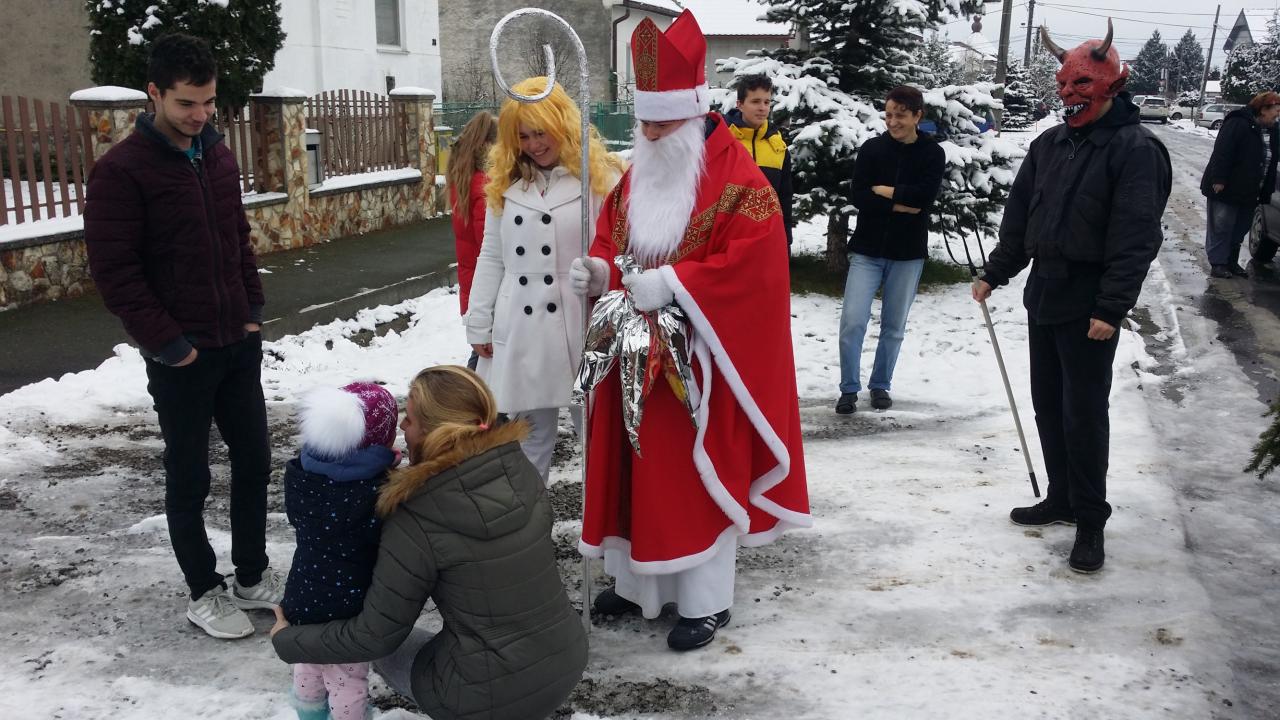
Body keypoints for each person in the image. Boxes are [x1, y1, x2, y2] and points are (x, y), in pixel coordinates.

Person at [569, 11, 811, 651]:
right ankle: (635, 585)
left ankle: (705, 602)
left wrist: (677, 284)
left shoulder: (742, 182)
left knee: (688, 480)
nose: (650, 134)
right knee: (634, 471)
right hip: (630, 353)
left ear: (695, 113)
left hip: (698, 365)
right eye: (645, 123)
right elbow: (613, 233)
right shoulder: (639, 172)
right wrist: (600, 270)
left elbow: (756, 268)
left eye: (663, 123)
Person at [83, 32, 283, 639]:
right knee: (190, 475)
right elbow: (116, 272)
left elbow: (238, 239)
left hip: (236, 342)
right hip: (182, 355)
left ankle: (251, 576)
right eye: (186, 103)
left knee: (254, 461)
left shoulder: (217, 157)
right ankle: (204, 591)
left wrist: (252, 309)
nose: (200, 115)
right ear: (154, 93)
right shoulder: (122, 171)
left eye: (208, 102)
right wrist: (170, 344)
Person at [271, 366, 587, 720]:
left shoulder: (417, 515)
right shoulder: (518, 468)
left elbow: (374, 635)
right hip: (566, 659)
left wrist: (287, 639)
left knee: (382, 642)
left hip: (486, 698)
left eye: (410, 418)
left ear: (434, 432)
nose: (402, 427)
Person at [973, 23, 1171, 574]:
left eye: (1080, 83)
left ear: (1111, 84)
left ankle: (1090, 518)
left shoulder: (1136, 150)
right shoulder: (1049, 144)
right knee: (1048, 404)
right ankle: (1060, 496)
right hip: (1045, 292)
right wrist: (996, 272)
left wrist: (1111, 307)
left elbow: (1136, 237)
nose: (1068, 94)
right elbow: (1020, 218)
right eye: (1063, 85)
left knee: (1083, 414)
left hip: (1090, 301)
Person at [464, 77, 624, 482]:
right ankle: (528, 515)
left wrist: (603, 276)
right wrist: (479, 320)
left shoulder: (600, 178)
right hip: (524, 322)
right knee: (529, 436)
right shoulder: (507, 184)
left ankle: (601, 516)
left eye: (541, 132)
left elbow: (620, 247)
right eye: (523, 136)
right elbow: (492, 256)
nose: (534, 144)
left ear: (562, 125)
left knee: (595, 430)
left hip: (581, 317)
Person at [278, 382, 400, 720]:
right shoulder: (373, 491)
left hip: (302, 590)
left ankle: (310, 713)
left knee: (308, 660)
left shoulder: (303, 475)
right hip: (349, 603)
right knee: (346, 676)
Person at [835, 85, 946, 414]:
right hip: (867, 250)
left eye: (901, 115)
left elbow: (924, 198)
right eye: (888, 115)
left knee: (893, 326)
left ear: (917, 116)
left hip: (908, 253)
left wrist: (884, 191)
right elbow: (860, 195)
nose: (893, 122)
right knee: (852, 321)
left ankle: (880, 385)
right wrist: (899, 203)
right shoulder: (872, 149)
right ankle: (848, 389)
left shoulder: (932, 153)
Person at [1200, 90, 1280, 277]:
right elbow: (1222, 151)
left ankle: (1231, 262)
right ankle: (1218, 264)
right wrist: (1219, 179)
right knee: (1222, 226)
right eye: (1276, 111)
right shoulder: (1239, 122)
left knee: (1240, 227)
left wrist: (1266, 189)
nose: (1277, 116)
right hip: (1227, 186)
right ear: (1263, 109)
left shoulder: (1273, 130)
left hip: (1251, 189)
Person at [446, 111, 497, 368]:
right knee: (484, 363)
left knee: (483, 360)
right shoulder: (485, 186)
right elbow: (490, 246)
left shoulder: (465, 180)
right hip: (486, 292)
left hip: (473, 286)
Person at [725, 74, 794, 245]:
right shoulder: (723, 141)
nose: (762, 108)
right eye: (755, 102)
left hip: (767, 239)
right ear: (740, 104)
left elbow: (784, 198)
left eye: (767, 102)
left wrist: (785, 240)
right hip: (728, 239)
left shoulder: (778, 146)